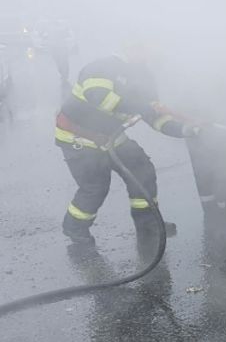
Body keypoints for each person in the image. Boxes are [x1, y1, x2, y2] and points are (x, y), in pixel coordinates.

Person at [55, 43, 199, 245]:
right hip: (80, 139)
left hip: (112, 137)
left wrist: (183, 130)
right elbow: (100, 98)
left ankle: (147, 223)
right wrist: (143, 106)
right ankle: (75, 227)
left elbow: (154, 116)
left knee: (142, 169)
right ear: (130, 47)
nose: (151, 54)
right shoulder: (102, 67)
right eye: (146, 48)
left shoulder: (144, 76)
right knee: (95, 187)